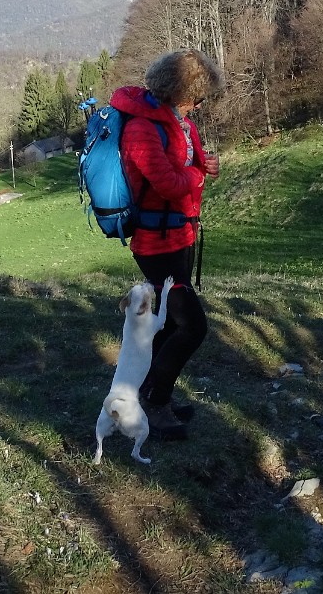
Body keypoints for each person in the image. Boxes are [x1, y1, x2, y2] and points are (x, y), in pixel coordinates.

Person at [108, 49, 225, 440]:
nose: (199, 104)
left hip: (182, 235)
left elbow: (189, 168)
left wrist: (205, 165)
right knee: (192, 327)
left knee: (171, 324)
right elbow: (169, 183)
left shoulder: (180, 123)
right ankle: (155, 403)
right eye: (197, 96)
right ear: (179, 91)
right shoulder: (142, 128)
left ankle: (149, 398)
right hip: (156, 243)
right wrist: (196, 175)